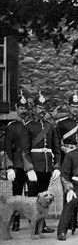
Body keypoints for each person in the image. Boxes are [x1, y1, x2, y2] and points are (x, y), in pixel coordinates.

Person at [25, 92, 60, 233]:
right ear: (34, 109)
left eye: (43, 108)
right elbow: (24, 150)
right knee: (34, 197)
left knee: (44, 198)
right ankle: (34, 225)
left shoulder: (49, 126)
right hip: (34, 166)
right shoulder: (28, 126)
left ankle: (42, 224)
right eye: (39, 107)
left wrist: (56, 166)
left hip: (46, 166)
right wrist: (29, 168)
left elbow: (56, 147)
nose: (42, 110)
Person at [4, 92, 32, 231]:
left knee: (32, 193)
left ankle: (35, 221)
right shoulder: (11, 126)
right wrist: (9, 167)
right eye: (21, 108)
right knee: (17, 194)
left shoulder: (32, 125)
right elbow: (8, 147)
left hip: (31, 164)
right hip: (17, 165)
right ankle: (15, 222)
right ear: (16, 108)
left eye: (25, 108)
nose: (23, 111)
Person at [55, 91, 78, 158]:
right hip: (66, 156)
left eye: (77, 107)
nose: (75, 109)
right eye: (73, 107)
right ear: (68, 107)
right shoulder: (62, 123)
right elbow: (56, 143)